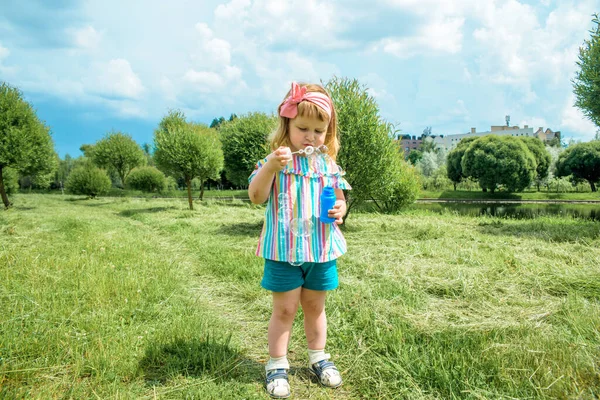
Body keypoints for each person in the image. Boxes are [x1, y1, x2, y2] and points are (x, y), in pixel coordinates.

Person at [248, 82, 351, 398]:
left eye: (319, 131)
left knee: (315, 307)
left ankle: (319, 357)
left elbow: (341, 200)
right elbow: (256, 196)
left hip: (320, 250)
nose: (311, 136)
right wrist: (270, 167)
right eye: (303, 128)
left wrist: (340, 209)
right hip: (283, 251)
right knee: (284, 310)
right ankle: (277, 364)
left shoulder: (328, 166)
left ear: (327, 132)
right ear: (287, 126)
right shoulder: (276, 162)